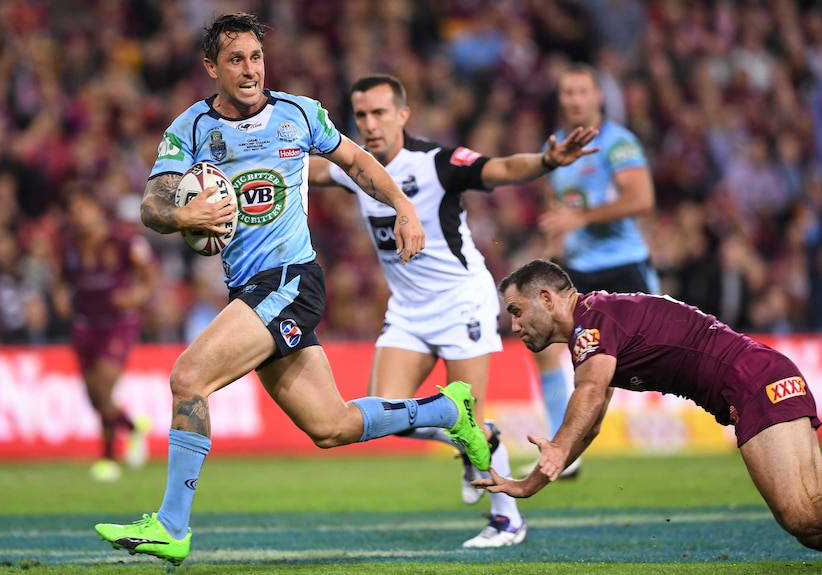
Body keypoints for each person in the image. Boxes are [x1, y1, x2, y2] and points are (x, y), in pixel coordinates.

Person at [94, 13, 490, 566]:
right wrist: (185, 212)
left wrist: (403, 207)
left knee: (188, 377)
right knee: (331, 426)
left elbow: (356, 162)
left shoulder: (300, 114)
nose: (250, 69)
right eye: (235, 59)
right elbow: (152, 205)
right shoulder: (189, 128)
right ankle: (449, 412)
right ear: (212, 68)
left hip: (290, 279)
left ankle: (171, 526)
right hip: (249, 289)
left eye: (256, 57)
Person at [308, 73, 598, 547]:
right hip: (407, 311)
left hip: (461, 301)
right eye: (360, 115)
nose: (369, 123)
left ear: (402, 114)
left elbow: (499, 168)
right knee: (387, 414)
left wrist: (547, 161)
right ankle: (473, 438)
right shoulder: (353, 167)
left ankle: (508, 519)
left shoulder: (434, 162)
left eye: (379, 112)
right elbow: (307, 169)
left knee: (471, 411)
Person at [474, 258, 822, 552]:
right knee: (811, 523)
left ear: (547, 299)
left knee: (801, 516)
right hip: (763, 375)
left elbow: (591, 391)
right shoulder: (598, 320)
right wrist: (528, 484)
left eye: (517, 311)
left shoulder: (592, 325)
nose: (514, 325)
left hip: (752, 383)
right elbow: (591, 423)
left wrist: (557, 446)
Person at [530, 63, 659, 478]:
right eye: (567, 93)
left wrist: (581, 219)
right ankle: (562, 452)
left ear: (598, 96)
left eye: (582, 91)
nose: (574, 100)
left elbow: (641, 199)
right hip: (578, 272)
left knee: (620, 369)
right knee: (547, 347)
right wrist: (549, 255)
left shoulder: (619, 145)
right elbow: (558, 214)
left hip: (623, 271)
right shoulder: (557, 150)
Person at [56, 189, 156, 482]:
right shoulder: (69, 245)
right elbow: (63, 279)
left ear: (98, 209)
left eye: (84, 207)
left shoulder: (124, 240)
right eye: (74, 210)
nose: (79, 215)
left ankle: (108, 456)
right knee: (93, 397)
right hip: (85, 324)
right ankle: (133, 427)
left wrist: (136, 295)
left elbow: (150, 276)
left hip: (118, 323)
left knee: (103, 387)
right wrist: (61, 296)